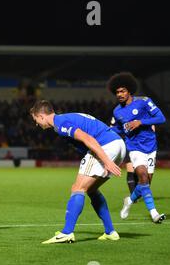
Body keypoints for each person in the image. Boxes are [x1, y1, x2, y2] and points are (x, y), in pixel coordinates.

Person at [30, 100, 125, 244]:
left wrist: (106, 160)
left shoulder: (60, 123)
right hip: (117, 144)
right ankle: (110, 232)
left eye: (36, 119)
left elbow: (88, 138)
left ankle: (67, 232)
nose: (37, 124)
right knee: (92, 190)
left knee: (77, 188)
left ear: (42, 116)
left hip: (105, 146)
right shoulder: (63, 120)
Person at [108, 72, 166, 223]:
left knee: (144, 184)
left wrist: (141, 122)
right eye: (117, 92)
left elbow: (161, 118)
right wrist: (107, 130)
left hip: (151, 146)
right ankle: (154, 214)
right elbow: (120, 129)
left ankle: (129, 201)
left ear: (129, 91)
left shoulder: (144, 101)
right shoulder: (117, 111)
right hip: (134, 147)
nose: (119, 94)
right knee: (142, 176)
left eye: (122, 91)